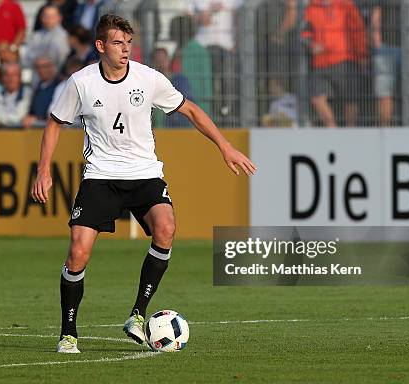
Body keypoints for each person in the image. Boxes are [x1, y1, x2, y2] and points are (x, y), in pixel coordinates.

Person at [30, 14, 255, 353]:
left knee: (166, 228)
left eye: (129, 43)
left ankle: (137, 315)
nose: (125, 50)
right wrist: (43, 169)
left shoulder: (148, 79)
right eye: (118, 43)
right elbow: (54, 122)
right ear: (101, 46)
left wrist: (225, 147)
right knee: (78, 252)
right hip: (101, 176)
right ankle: (68, 333)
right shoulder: (82, 82)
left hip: (144, 174)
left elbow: (190, 110)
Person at [302, 0, 368, 127]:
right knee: (316, 98)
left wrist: (362, 55)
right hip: (320, 62)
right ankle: (333, 131)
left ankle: (350, 132)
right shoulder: (311, 7)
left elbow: (358, 30)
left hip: (345, 59)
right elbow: (304, 32)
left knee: (351, 99)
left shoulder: (346, 4)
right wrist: (311, 45)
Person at [369, 0, 401, 126]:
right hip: (386, 48)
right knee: (384, 94)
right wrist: (377, 41)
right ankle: (385, 131)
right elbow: (376, 13)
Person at [151, 47, 194, 128]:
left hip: (177, 125)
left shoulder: (180, 80)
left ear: (168, 60)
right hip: (157, 126)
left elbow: (187, 101)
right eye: (158, 60)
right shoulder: (151, 82)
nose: (161, 63)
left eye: (163, 59)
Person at [0, 62, 32, 128]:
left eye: (14, 75)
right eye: (7, 75)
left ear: (20, 77)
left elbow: (18, 117)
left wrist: (32, 118)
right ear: (2, 78)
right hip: (2, 136)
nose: (10, 78)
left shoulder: (29, 94)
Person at [24, 5, 70, 73]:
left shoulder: (64, 36)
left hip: (55, 75)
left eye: (51, 17)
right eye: (45, 16)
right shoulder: (36, 35)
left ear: (59, 18)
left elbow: (62, 60)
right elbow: (27, 57)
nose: (47, 19)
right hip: (37, 74)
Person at [23, 57, 59, 128]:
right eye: (38, 67)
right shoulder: (37, 88)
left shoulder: (59, 86)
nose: (41, 70)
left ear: (52, 67)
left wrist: (37, 119)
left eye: (44, 67)